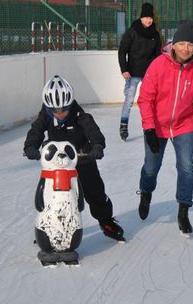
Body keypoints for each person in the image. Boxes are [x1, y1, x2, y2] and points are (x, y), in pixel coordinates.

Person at [24, 75, 125, 241]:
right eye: (55, 110)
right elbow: (36, 130)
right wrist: (30, 147)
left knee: (94, 191)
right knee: (49, 194)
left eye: (64, 109)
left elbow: (92, 130)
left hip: (82, 158)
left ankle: (106, 221)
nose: (61, 113)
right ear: (49, 108)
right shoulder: (45, 115)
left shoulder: (79, 114)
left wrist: (97, 146)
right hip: (57, 162)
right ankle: (48, 228)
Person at [136, 20, 193, 236]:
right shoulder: (159, 65)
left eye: (190, 45)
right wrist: (149, 129)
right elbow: (145, 99)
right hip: (157, 125)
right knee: (151, 167)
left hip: (184, 124)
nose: (185, 49)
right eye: (182, 44)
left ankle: (183, 211)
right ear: (174, 43)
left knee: (186, 167)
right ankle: (146, 192)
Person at [117, 2, 162, 141]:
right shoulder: (132, 32)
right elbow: (122, 51)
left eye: (151, 17)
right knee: (129, 99)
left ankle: (153, 125)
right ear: (141, 18)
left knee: (153, 100)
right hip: (133, 72)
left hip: (149, 74)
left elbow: (158, 56)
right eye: (146, 17)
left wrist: (158, 73)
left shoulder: (155, 35)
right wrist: (124, 69)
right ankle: (124, 124)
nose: (149, 20)